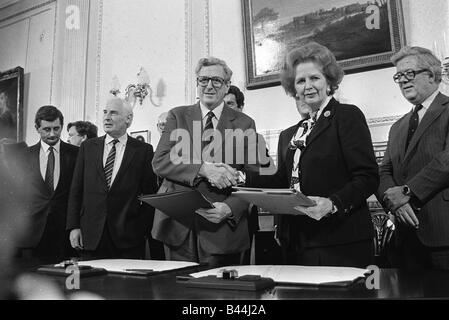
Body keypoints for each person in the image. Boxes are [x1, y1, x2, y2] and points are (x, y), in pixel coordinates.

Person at [271, 42, 379, 267]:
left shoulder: (347, 116)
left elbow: (367, 177)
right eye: (300, 81)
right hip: (299, 242)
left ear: (329, 81)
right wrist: (239, 177)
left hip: (341, 241)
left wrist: (332, 203)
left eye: (314, 78)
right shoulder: (300, 129)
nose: (307, 86)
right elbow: (281, 181)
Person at [151, 57, 263, 268]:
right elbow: (160, 161)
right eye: (203, 80)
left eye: (216, 80)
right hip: (177, 227)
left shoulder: (244, 123)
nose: (209, 86)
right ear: (197, 83)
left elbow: (254, 177)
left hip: (221, 227)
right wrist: (204, 169)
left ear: (227, 85)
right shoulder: (177, 115)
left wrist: (230, 209)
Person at [378, 46, 449, 270]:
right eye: (398, 76)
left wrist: (408, 192)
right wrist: (395, 204)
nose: (403, 81)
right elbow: (383, 172)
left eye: (410, 73)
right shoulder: (397, 127)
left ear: (432, 75)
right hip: (405, 237)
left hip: (443, 232)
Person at [67, 97, 158, 259]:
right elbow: (76, 189)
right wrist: (74, 227)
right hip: (90, 236)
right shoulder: (88, 147)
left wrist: (140, 229)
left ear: (128, 119)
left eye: (114, 113)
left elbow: (150, 195)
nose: (107, 117)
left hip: (128, 238)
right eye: (105, 112)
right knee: (90, 283)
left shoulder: (143, 150)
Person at [17, 106, 78, 262]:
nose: (52, 134)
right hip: (31, 236)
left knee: (71, 284)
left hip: (66, 237)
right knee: (34, 283)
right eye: (47, 129)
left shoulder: (76, 154)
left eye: (56, 128)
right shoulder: (23, 156)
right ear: (37, 128)